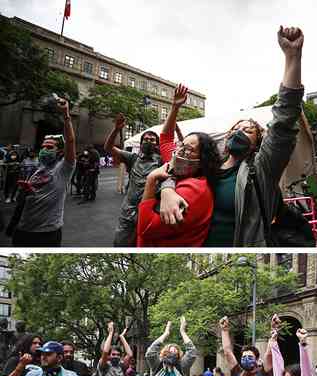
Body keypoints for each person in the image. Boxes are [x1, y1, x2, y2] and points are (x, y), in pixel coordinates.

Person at [160, 26, 305, 247]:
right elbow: (172, 169)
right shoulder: (210, 166)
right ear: (227, 136)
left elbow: (284, 119)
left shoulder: (262, 170)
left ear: (258, 142)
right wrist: (167, 190)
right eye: (237, 128)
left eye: (248, 130)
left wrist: (292, 57)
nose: (240, 131)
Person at [136, 84, 221, 247]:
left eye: (189, 149)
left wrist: (151, 179)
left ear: (203, 159)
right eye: (181, 145)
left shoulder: (196, 190)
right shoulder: (178, 165)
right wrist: (175, 106)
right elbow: (166, 139)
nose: (180, 151)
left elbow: (146, 228)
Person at [10, 97, 76, 247]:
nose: (44, 149)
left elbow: (71, 141)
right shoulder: (37, 169)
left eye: (49, 147)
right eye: (43, 146)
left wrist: (66, 114)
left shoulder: (63, 169)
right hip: (23, 230)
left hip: (46, 234)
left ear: (59, 151)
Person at [104, 114, 162, 246]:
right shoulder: (132, 158)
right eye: (146, 139)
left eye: (152, 140)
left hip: (150, 212)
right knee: (120, 243)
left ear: (157, 144)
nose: (148, 141)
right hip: (128, 211)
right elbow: (108, 148)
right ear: (141, 144)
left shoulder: (161, 162)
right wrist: (116, 130)